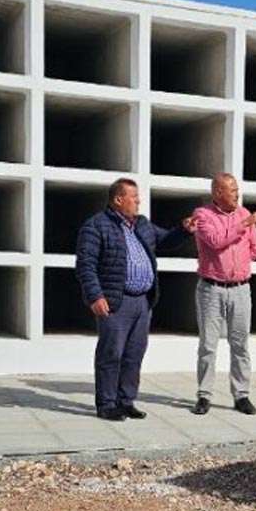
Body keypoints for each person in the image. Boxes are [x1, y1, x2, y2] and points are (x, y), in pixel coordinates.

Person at [76, 177, 194, 421]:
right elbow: (85, 265)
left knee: (134, 354)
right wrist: (95, 296)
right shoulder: (96, 226)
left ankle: (126, 400)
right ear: (119, 199)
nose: (139, 202)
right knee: (111, 354)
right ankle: (107, 404)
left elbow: (166, 240)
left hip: (142, 302)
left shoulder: (142, 225)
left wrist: (184, 230)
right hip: (115, 301)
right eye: (134, 197)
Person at [190, 172, 256, 415]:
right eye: (231, 190)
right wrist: (243, 226)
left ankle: (241, 395)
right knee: (208, 345)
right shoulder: (203, 215)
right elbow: (215, 241)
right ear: (218, 193)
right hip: (211, 289)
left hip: (241, 289)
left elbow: (255, 249)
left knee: (240, 344)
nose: (237, 193)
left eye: (236, 189)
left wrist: (238, 261)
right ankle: (204, 396)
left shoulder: (244, 214)